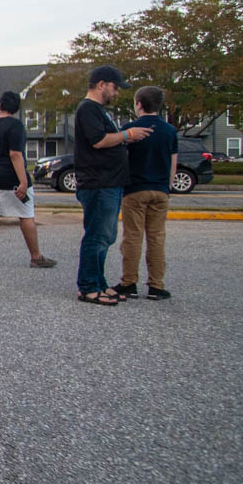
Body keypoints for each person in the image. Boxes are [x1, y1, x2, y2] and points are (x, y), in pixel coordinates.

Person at [73, 65, 152, 306]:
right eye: (115, 87)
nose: (116, 93)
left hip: (110, 182)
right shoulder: (88, 109)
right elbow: (98, 140)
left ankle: (98, 283)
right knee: (97, 236)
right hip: (98, 183)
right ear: (101, 84)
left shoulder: (98, 110)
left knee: (105, 237)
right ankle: (87, 287)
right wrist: (128, 135)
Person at [0, 91, 56, 268]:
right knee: (26, 214)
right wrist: (23, 181)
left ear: (0, 105)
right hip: (10, 176)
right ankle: (36, 256)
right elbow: (15, 154)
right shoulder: (15, 126)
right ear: (16, 109)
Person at [113, 86, 177, 301]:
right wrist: (166, 187)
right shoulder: (170, 131)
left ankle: (129, 282)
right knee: (157, 238)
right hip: (160, 190)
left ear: (139, 103)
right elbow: (173, 164)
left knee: (133, 236)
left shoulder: (130, 129)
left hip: (135, 189)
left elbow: (122, 158)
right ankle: (156, 286)